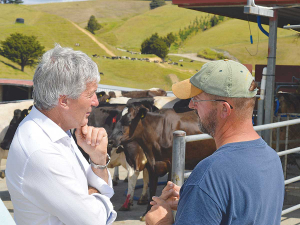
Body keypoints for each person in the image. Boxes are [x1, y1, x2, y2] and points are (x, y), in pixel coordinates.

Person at [145, 59, 285, 225]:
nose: (191, 105)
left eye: (197, 99)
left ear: (224, 109)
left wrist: (161, 222)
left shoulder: (209, 175)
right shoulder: (272, 158)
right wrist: (196, 200)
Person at [5, 44, 117, 225]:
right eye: (90, 94)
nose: (96, 102)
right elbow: (94, 220)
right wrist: (93, 193)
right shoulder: (40, 150)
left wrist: (98, 159)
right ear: (64, 101)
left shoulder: (57, 131)